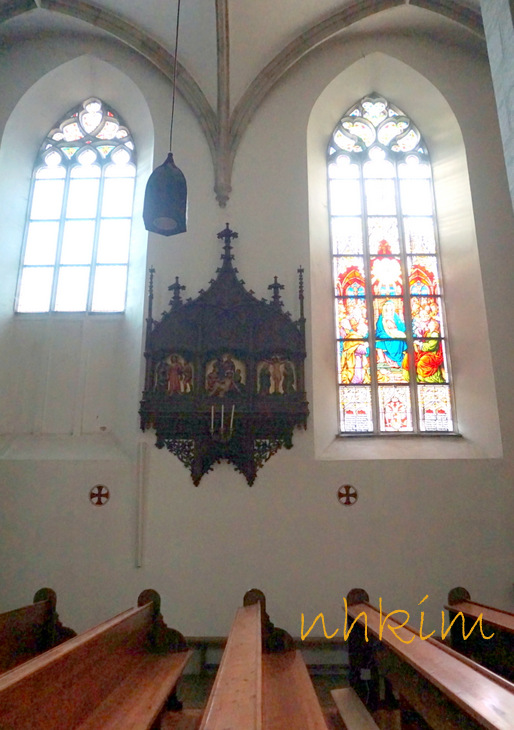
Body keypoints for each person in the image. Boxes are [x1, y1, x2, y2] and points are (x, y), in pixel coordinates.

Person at [375, 299, 407, 367]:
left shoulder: (395, 316)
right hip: (385, 334)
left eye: (391, 309)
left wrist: (396, 330)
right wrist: (386, 333)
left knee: (399, 339)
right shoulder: (381, 317)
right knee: (379, 342)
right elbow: (379, 329)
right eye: (387, 309)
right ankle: (382, 358)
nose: (389, 311)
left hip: (396, 333)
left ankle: (397, 359)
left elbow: (402, 328)